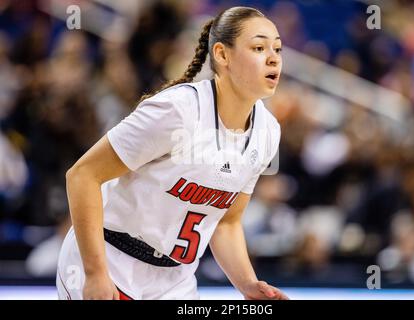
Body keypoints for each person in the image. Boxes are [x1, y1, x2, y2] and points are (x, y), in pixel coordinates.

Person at [56, 6, 288, 300]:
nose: (273, 58)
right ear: (222, 54)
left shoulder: (268, 131)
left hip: (174, 279)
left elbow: (226, 222)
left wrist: (247, 284)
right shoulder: (177, 110)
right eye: (258, 47)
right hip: (110, 256)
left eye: (277, 49)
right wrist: (94, 273)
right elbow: (82, 175)